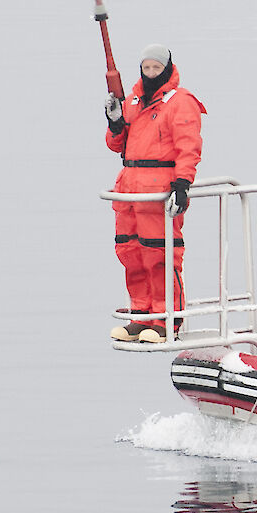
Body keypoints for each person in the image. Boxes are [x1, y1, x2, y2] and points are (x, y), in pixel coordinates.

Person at [104, 44, 205, 343]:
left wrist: (182, 184)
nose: (150, 74)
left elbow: (189, 147)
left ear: (167, 68)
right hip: (129, 188)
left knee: (159, 254)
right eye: (146, 68)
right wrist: (114, 122)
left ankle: (166, 318)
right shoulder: (133, 100)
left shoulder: (180, 102)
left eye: (155, 68)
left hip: (158, 190)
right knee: (130, 252)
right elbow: (117, 145)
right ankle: (141, 314)